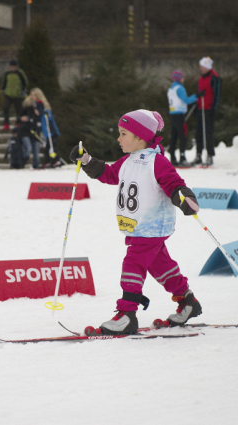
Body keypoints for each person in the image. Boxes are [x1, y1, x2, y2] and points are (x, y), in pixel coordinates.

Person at [69, 109, 202, 335]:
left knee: (133, 264)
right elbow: (110, 174)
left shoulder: (156, 162)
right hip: (138, 226)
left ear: (140, 137)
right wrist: (87, 160)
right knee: (161, 266)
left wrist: (184, 196)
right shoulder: (128, 161)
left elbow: (173, 182)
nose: (118, 139)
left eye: (123, 134)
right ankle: (188, 301)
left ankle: (127, 314)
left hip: (151, 227)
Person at [191, 56, 221, 166]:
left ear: (208, 67)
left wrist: (214, 107)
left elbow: (217, 94)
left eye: (203, 67)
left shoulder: (214, 77)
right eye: (200, 67)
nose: (201, 69)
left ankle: (210, 155)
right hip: (200, 108)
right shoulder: (201, 78)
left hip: (209, 109)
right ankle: (198, 155)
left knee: (208, 133)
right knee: (198, 133)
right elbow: (200, 91)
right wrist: (197, 100)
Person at [167, 70, 197, 167]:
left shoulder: (170, 89)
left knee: (174, 136)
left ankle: (173, 158)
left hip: (172, 115)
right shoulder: (180, 88)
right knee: (182, 136)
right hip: (179, 115)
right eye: (182, 78)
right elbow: (186, 100)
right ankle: (182, 158)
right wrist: (196, 96)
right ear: (179, 79)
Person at [26, 88, 61, 168]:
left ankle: (56, 160)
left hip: (50, 130)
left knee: (52, 146)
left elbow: (44, 117)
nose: (32, 97)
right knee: (47, 147)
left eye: (34, 95)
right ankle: (47, 161)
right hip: (46, 131)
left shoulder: (41, 105)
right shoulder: (35, 105)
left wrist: (39, 114)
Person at [1, 59, 28, 130]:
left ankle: (18, 123)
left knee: (19, 110)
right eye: (11, 66)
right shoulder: (7, 73)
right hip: (8, 94)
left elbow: (25, 83)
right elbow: (3, 83)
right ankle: (6, 124)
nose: (12, 68)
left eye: (14, 66)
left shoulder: (20, 73)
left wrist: (23, 91)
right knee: (5, 108)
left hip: (17, 95)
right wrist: (3, 90)